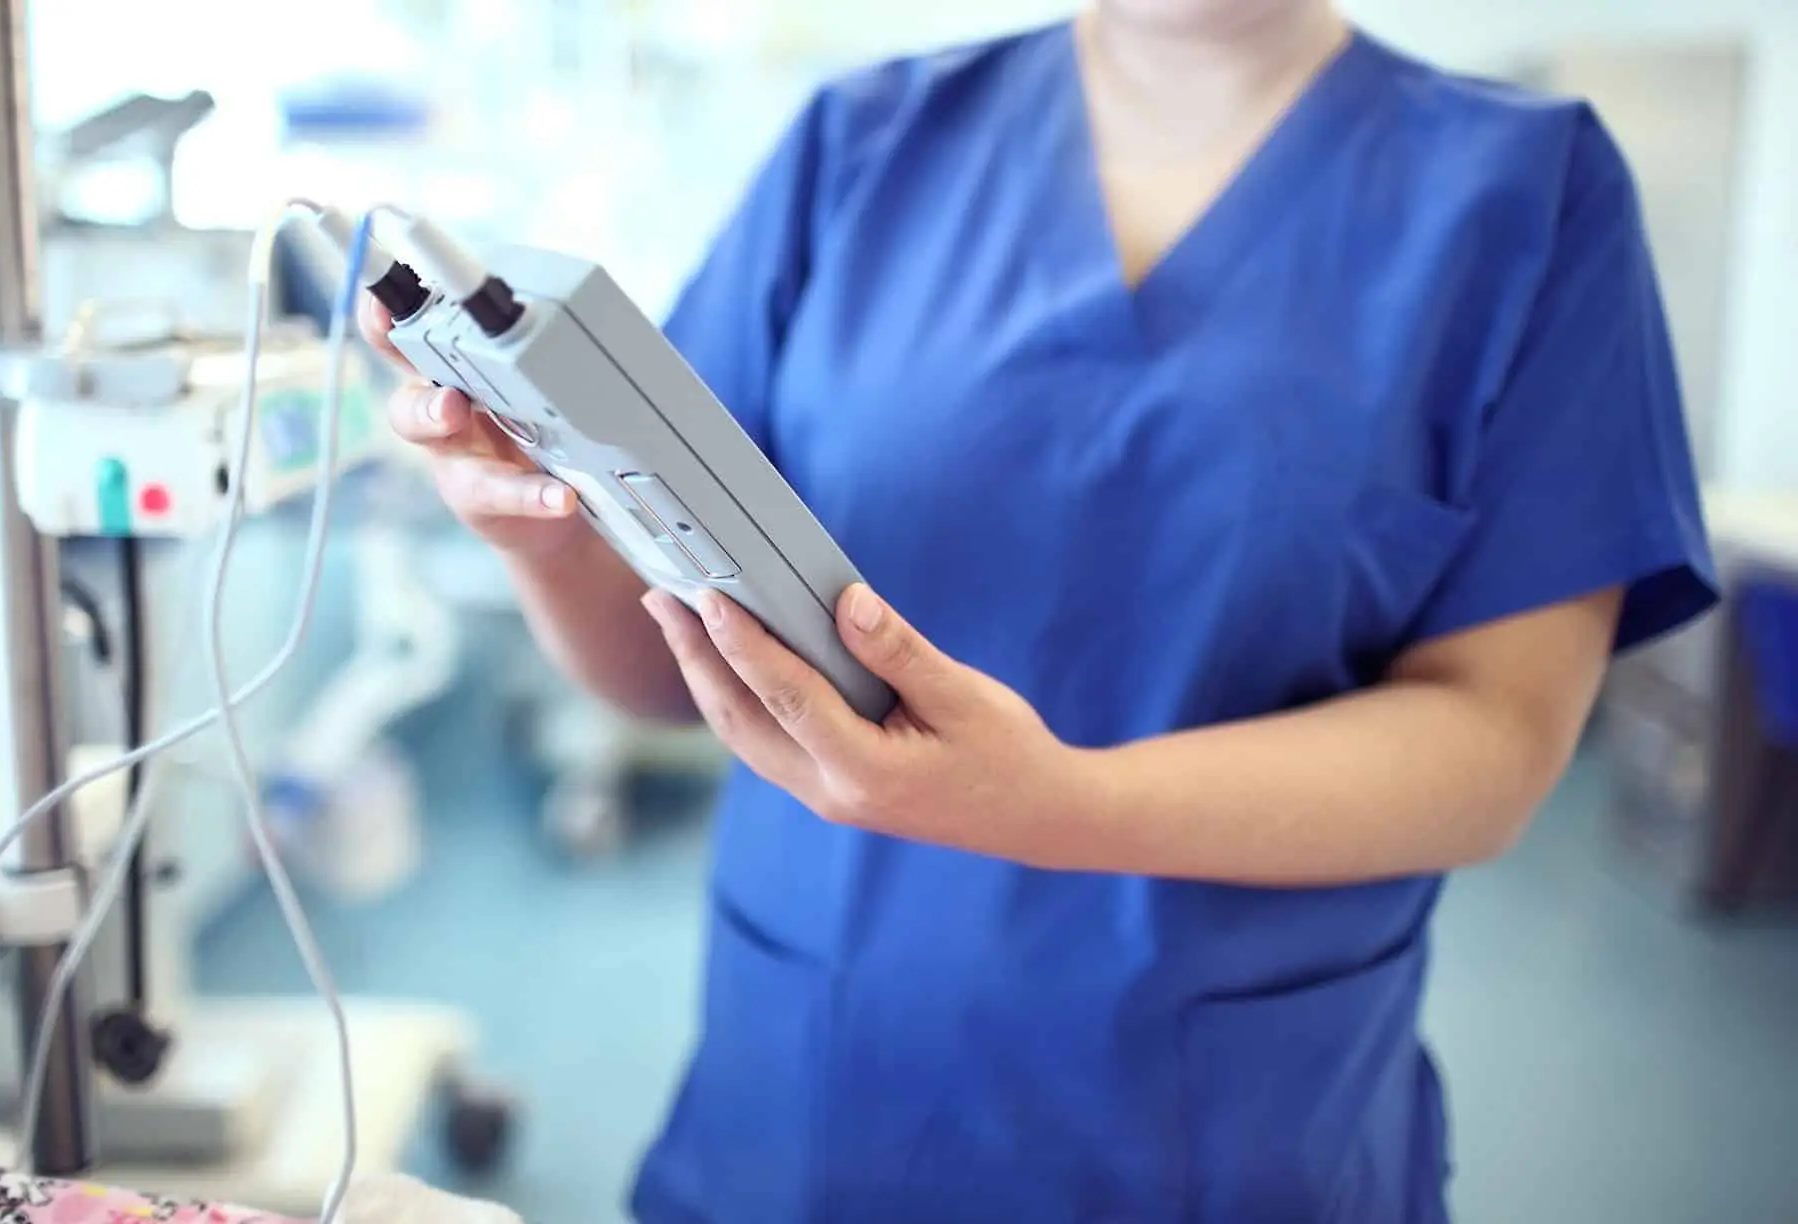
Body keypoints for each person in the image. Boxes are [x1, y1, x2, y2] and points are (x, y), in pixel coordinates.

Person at [361, 0, 1718, 1218]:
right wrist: (540, 535)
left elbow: (1493, 746)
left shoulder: (1529, 197)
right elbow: (670, 672)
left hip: (1224, 1129)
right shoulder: (858, 150)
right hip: (811, 1107)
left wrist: (1060, 805)